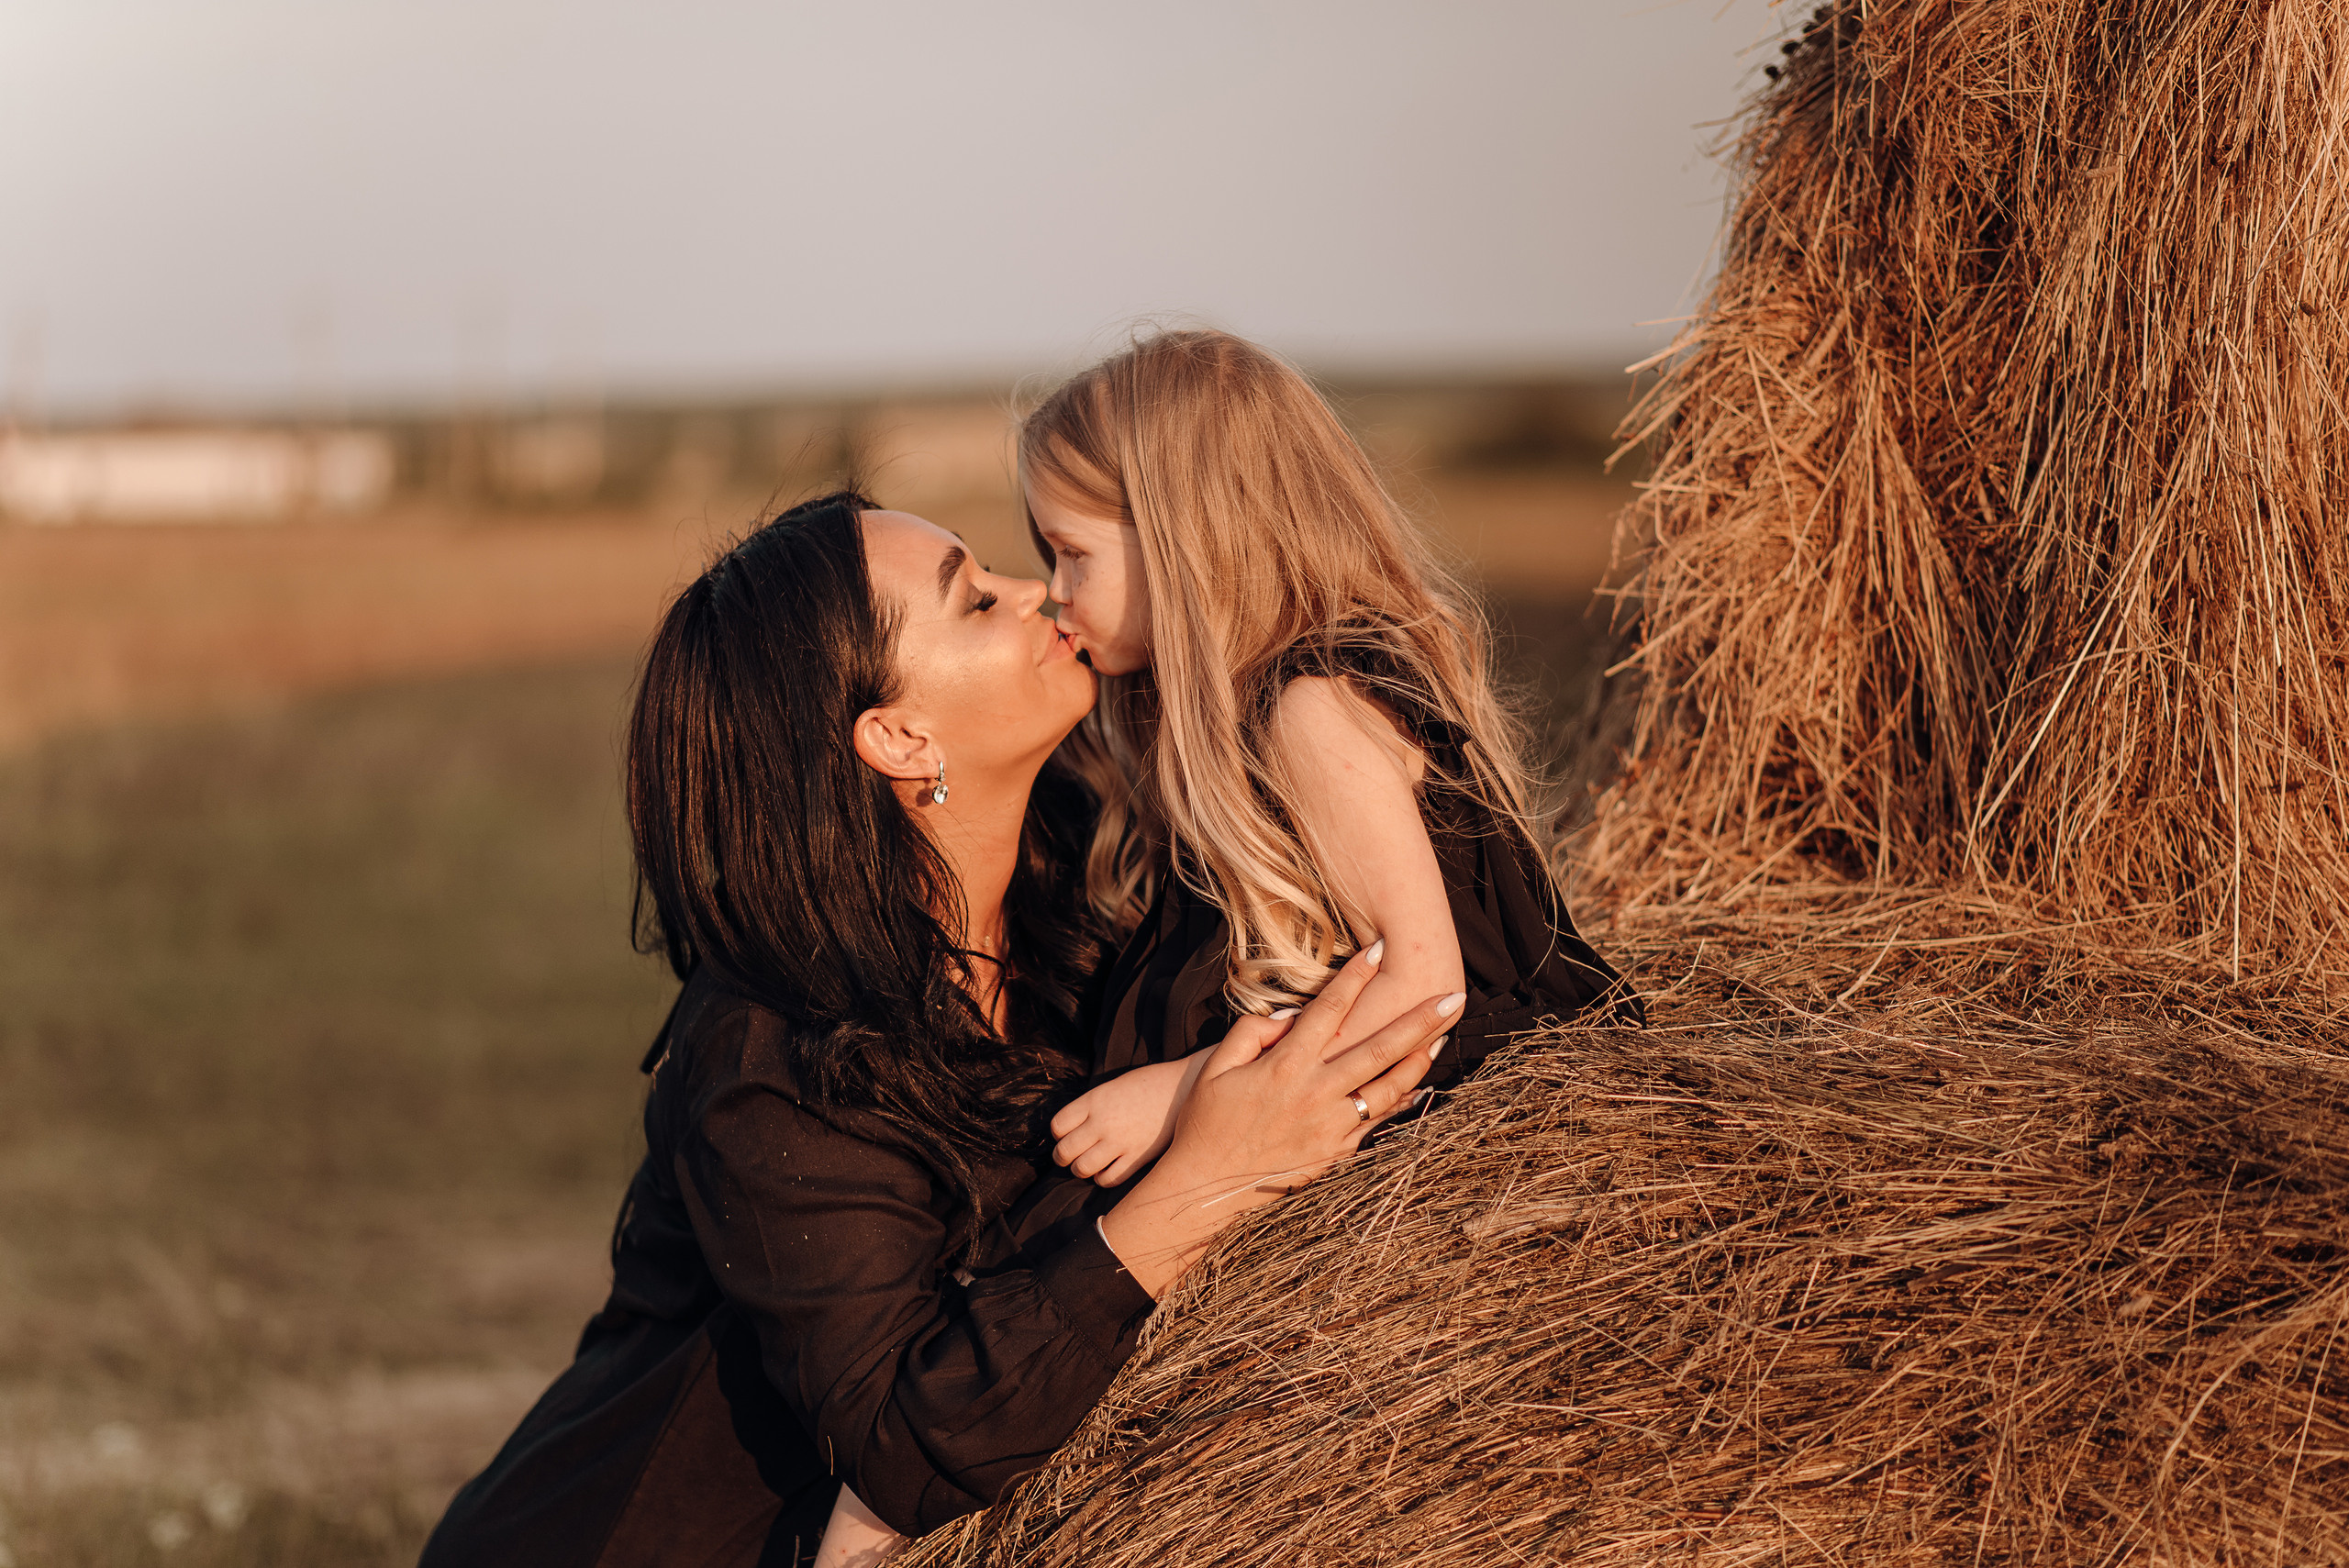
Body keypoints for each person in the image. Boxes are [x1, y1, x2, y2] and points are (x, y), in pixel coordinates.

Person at [417, 492, 1456, 1568]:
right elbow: (902, 1444)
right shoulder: (777, 1052)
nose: (1034, 591)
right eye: (975, 599)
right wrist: (1209, 1177)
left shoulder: (1075, 886)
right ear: (899, 736)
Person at [1023, 328, 1641, 1191]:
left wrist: (1180, 1092)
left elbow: (1428, 993)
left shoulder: (1310, 709)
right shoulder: (1225, 718)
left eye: (1071, 552)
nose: (1051, 587)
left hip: (1452, 1111)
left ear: (1181, 537)